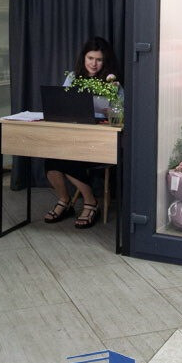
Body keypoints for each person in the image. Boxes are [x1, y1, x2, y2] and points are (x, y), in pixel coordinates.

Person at [43, 36, 122, 229]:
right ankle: (64, 200)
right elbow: (61, 104)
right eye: (90, 58)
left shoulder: (112, 82)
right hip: (73, 136)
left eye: (99, 60)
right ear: (84, 58)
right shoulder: (73, 77)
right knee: (51, 158)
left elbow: (122, 112)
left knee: (70, 158)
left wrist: (111, 110)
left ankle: (90, 202)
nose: (94, 64)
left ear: (105, 61)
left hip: (99, 141)